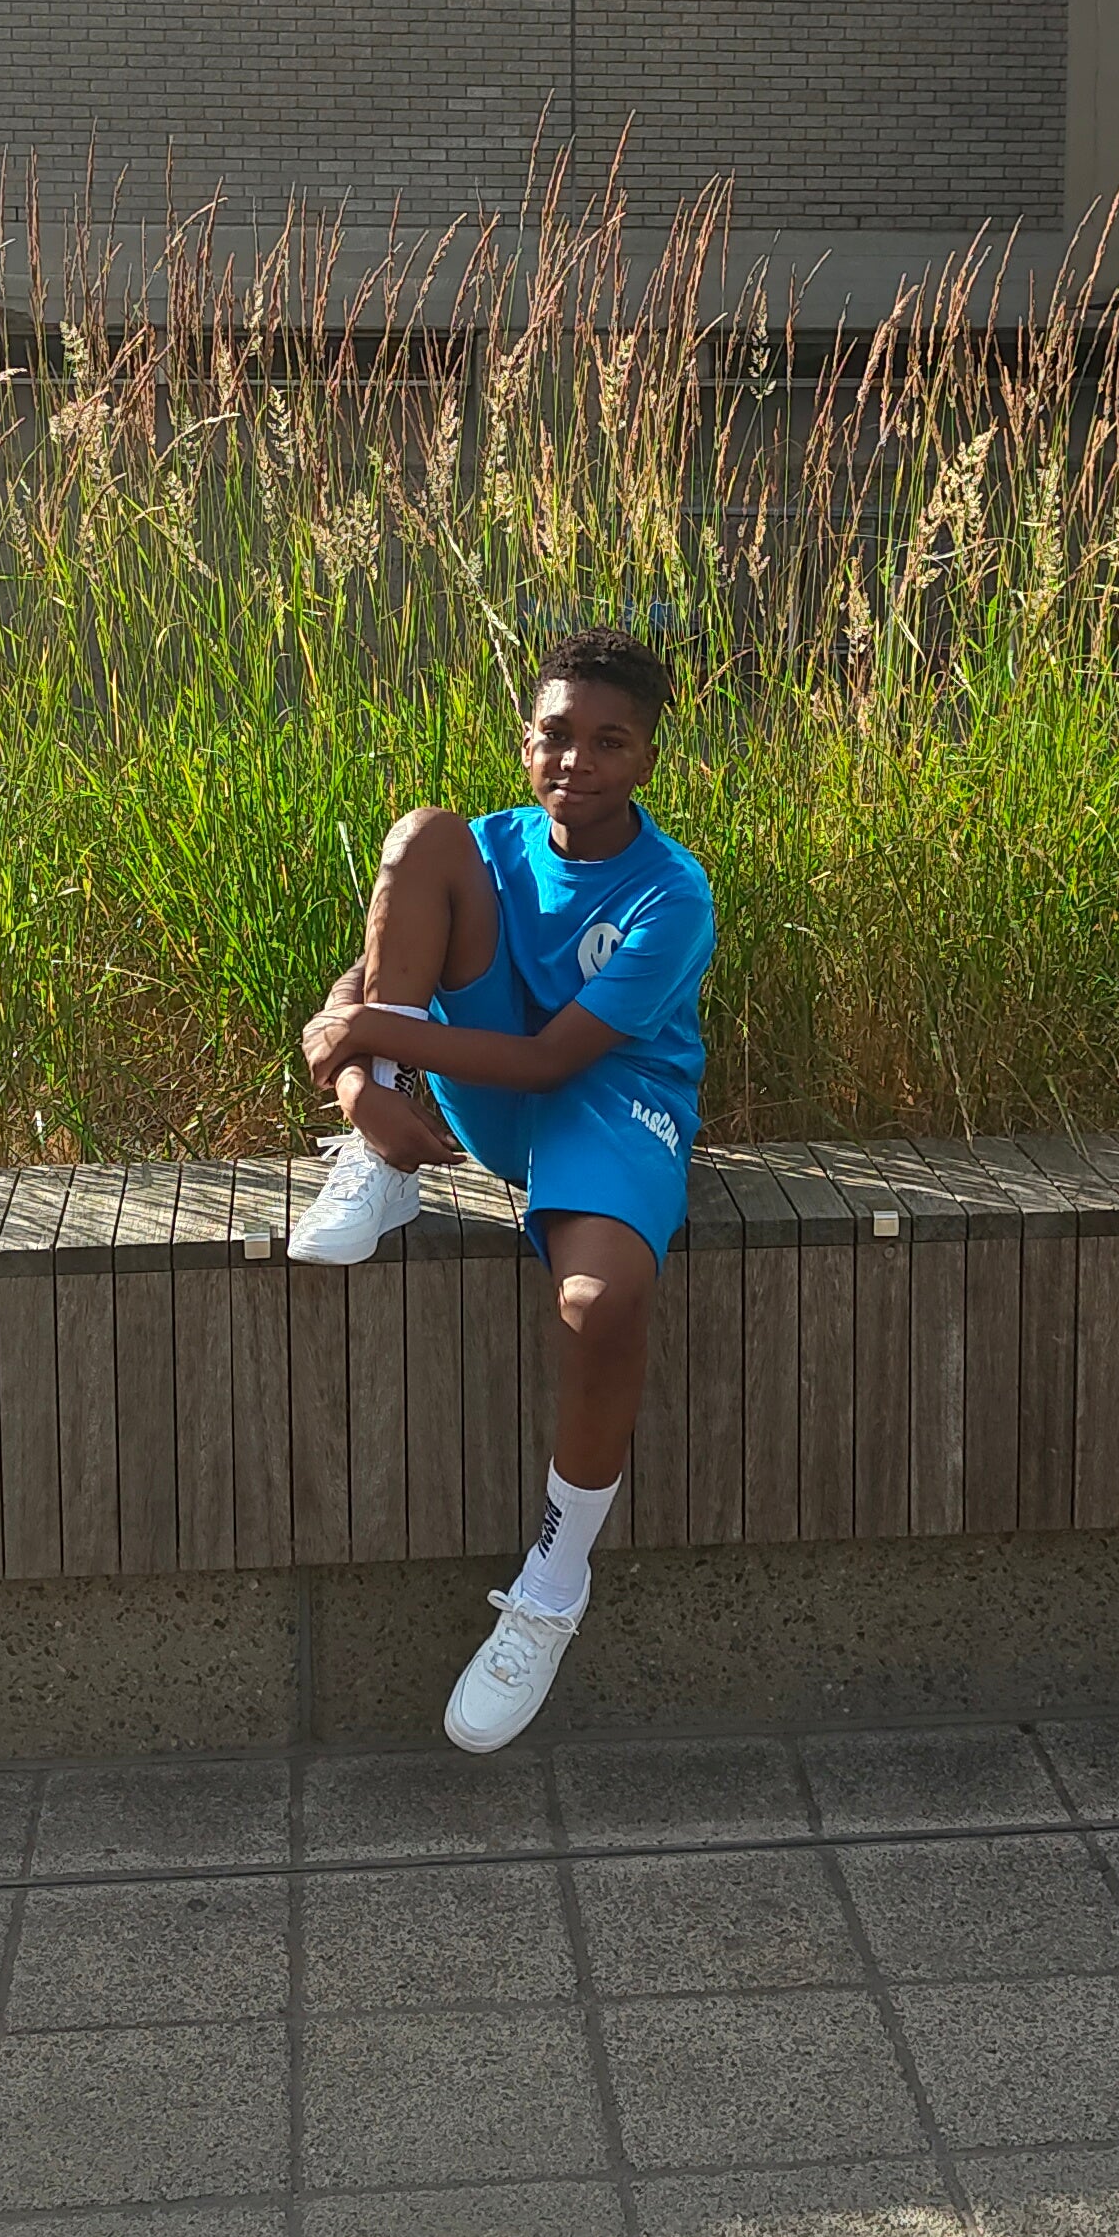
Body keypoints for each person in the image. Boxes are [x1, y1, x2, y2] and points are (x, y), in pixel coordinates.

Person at [290, 625, 714, 1752]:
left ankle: (552, 1586)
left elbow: (548, 1061)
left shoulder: (673, 895)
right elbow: (368, 971)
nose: (575, 759)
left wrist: (348, 1038)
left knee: (599, 1303)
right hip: (492, 1090)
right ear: (528, 742)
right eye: (555, 734)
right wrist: (361, 1090)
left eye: (607, 741)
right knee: (416, 836)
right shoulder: (484, 847)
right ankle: (380, 1172)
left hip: (607, 1095)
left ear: (645, 760)